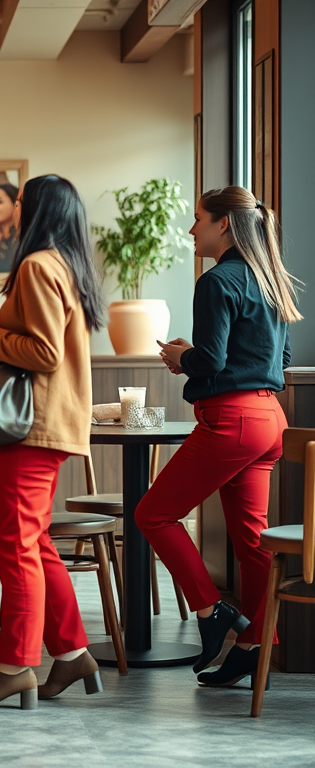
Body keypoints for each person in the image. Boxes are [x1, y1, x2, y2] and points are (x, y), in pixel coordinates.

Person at [0, 175, 106, 708]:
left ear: (35, 208)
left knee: (14, 545)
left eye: (19, 201)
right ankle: (70, 653)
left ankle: (15, 666)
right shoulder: (65, 265)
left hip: (33, 427)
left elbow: (41, 353)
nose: (14, 208)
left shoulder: (38, 266)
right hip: (49, 425)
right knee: (34, 542)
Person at [138, 185, 298, 688]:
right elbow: (283, 361)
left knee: (152, 514)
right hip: (270, 419)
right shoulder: (268, 278)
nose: (191, 229)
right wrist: (200, 355)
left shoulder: (217, 281)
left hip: (231, 421)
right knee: (253, 541)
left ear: (224, 224)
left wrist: (180, 357)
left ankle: (211, 612)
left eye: (198, 218)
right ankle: (257, 645)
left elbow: (209, 361)